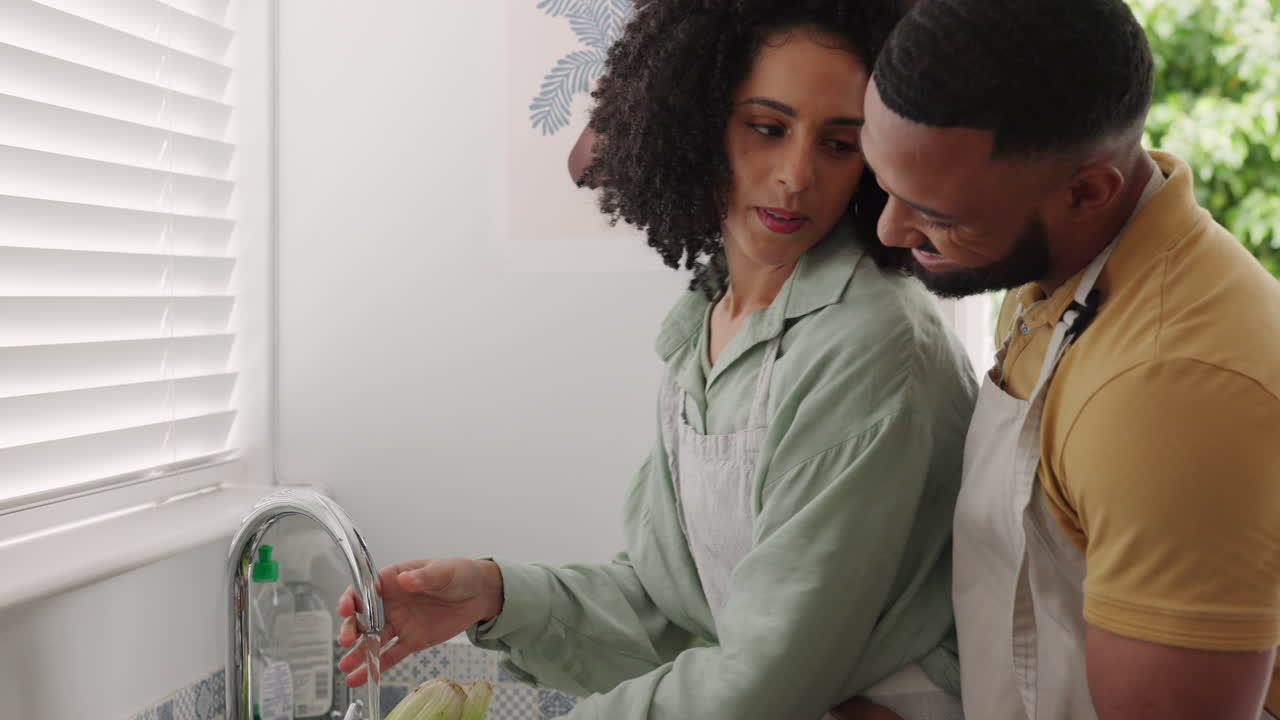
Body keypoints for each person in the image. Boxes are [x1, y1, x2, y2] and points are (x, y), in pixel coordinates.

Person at [335, 2, 979, 719]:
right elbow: (673, 613)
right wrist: (496, 594)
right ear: (699, 127)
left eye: (838, 144)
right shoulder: (709, 326)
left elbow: (772, 673)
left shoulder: (870, 341)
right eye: (767, 129)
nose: (796, 175)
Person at [852, 0, 1280, 718]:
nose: (892, 228)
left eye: (938, 214)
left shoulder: (1170, 392)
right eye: (883, 182)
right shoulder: (1066, 266)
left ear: (1087, 192)